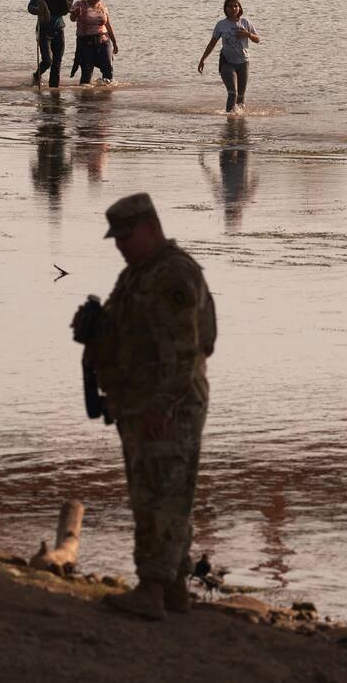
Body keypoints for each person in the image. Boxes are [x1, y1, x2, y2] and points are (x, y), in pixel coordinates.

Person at [72, 193, 217, 621]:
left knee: (163, 497)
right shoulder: (138, 274)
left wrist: (161, 408)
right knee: (153, 493)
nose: (120, 245)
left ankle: (152, 588)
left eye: (127, 236)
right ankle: (173, 589)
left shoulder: (173, 275)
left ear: (151, 228)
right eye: (116, 238)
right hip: (140, 403)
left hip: (169, 407)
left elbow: (183, 353)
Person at [198, 0, 259, 114]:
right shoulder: (221, 25)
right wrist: (202, 60)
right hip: (227, 62)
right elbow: (212, 43)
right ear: (225, 9)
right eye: (230, 6)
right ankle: (229, 119)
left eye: (236, 6)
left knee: (241, 95)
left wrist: (248, 34)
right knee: (233, 92)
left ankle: (240, 120)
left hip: (243, 62)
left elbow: (257, 39)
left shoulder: (245, 22)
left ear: (240, 8)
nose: (233, 8)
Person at [27, 0, 73, 87]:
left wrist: (74, 11)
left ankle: (54, 94)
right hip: (44, 29)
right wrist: (40, 11)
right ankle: (37, 75)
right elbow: (30, 7)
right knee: (48, 61)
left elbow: (66, 8)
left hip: (59, 28)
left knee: (57, 63)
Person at [68, 0, 119, 85]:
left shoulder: (102, 7)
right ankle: (86, 97)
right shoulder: (80, 4)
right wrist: (75, 14)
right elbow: (72, 19)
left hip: (104, 40)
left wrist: (114, 42)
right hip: (86, 42)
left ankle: (105, 97)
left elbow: (108, 25)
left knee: (108, 68)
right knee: (87, 73)